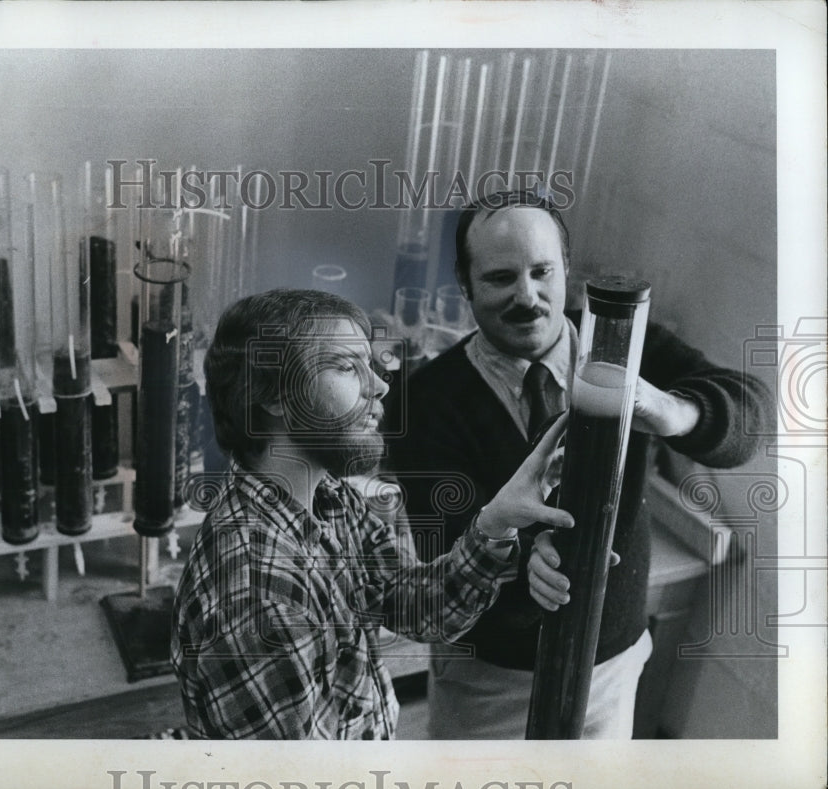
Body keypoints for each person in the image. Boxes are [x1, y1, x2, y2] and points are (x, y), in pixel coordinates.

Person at [385, 190, 772, 739]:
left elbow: (751, 418)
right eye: (500, 278)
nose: (529, 296)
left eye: (543, 271)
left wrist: (669, 409)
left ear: (566, 269)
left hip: (610, 668)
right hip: (490, 683)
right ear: (464, 282)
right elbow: (446, 556)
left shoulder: (627, 347)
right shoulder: (422, 399)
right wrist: (525, 559)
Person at [171, 288, 574, 739]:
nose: (380, 384)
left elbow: (417, 607)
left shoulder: (327, 497)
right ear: (275, 396)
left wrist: (497, 522)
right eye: (346, 366)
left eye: (369, 363)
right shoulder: (259, 600)